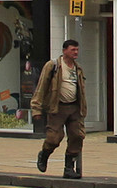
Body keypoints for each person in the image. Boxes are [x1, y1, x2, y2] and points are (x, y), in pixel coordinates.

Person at [31, 37, 87, 179]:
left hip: (74, 107)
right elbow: (41, 87)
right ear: (64, 51)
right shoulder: (53, 66)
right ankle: (44, 154)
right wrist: (36, 109)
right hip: (57, 107)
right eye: (73, 49)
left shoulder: (78, 68)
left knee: (77, 136)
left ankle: (69, 168)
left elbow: (81, 89)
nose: (76, 52)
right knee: (54, 138)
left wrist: (83, 109)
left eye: (77, 49)